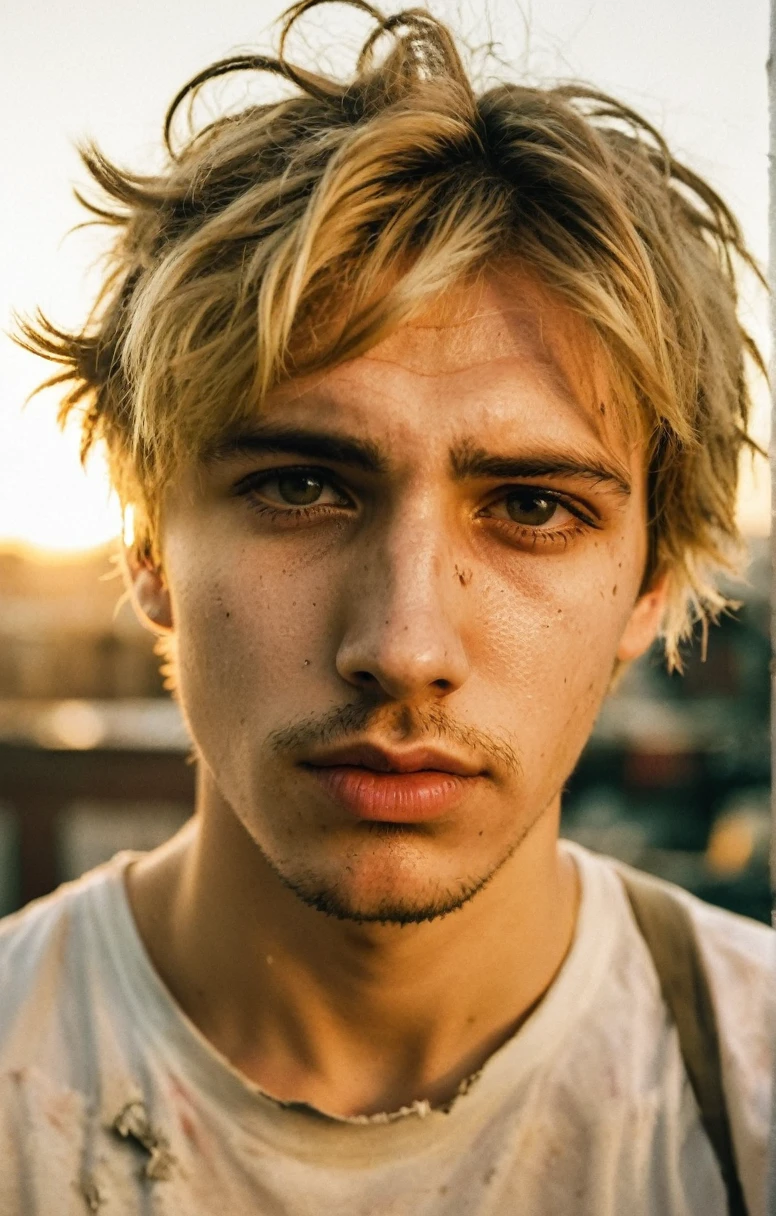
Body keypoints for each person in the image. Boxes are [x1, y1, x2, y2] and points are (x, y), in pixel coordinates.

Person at [3, 1, 772, 1212]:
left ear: (650, 581)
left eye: (529, 507)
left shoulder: (748, 1083)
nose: (403, 645)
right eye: (300, 485)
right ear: (147, 539)